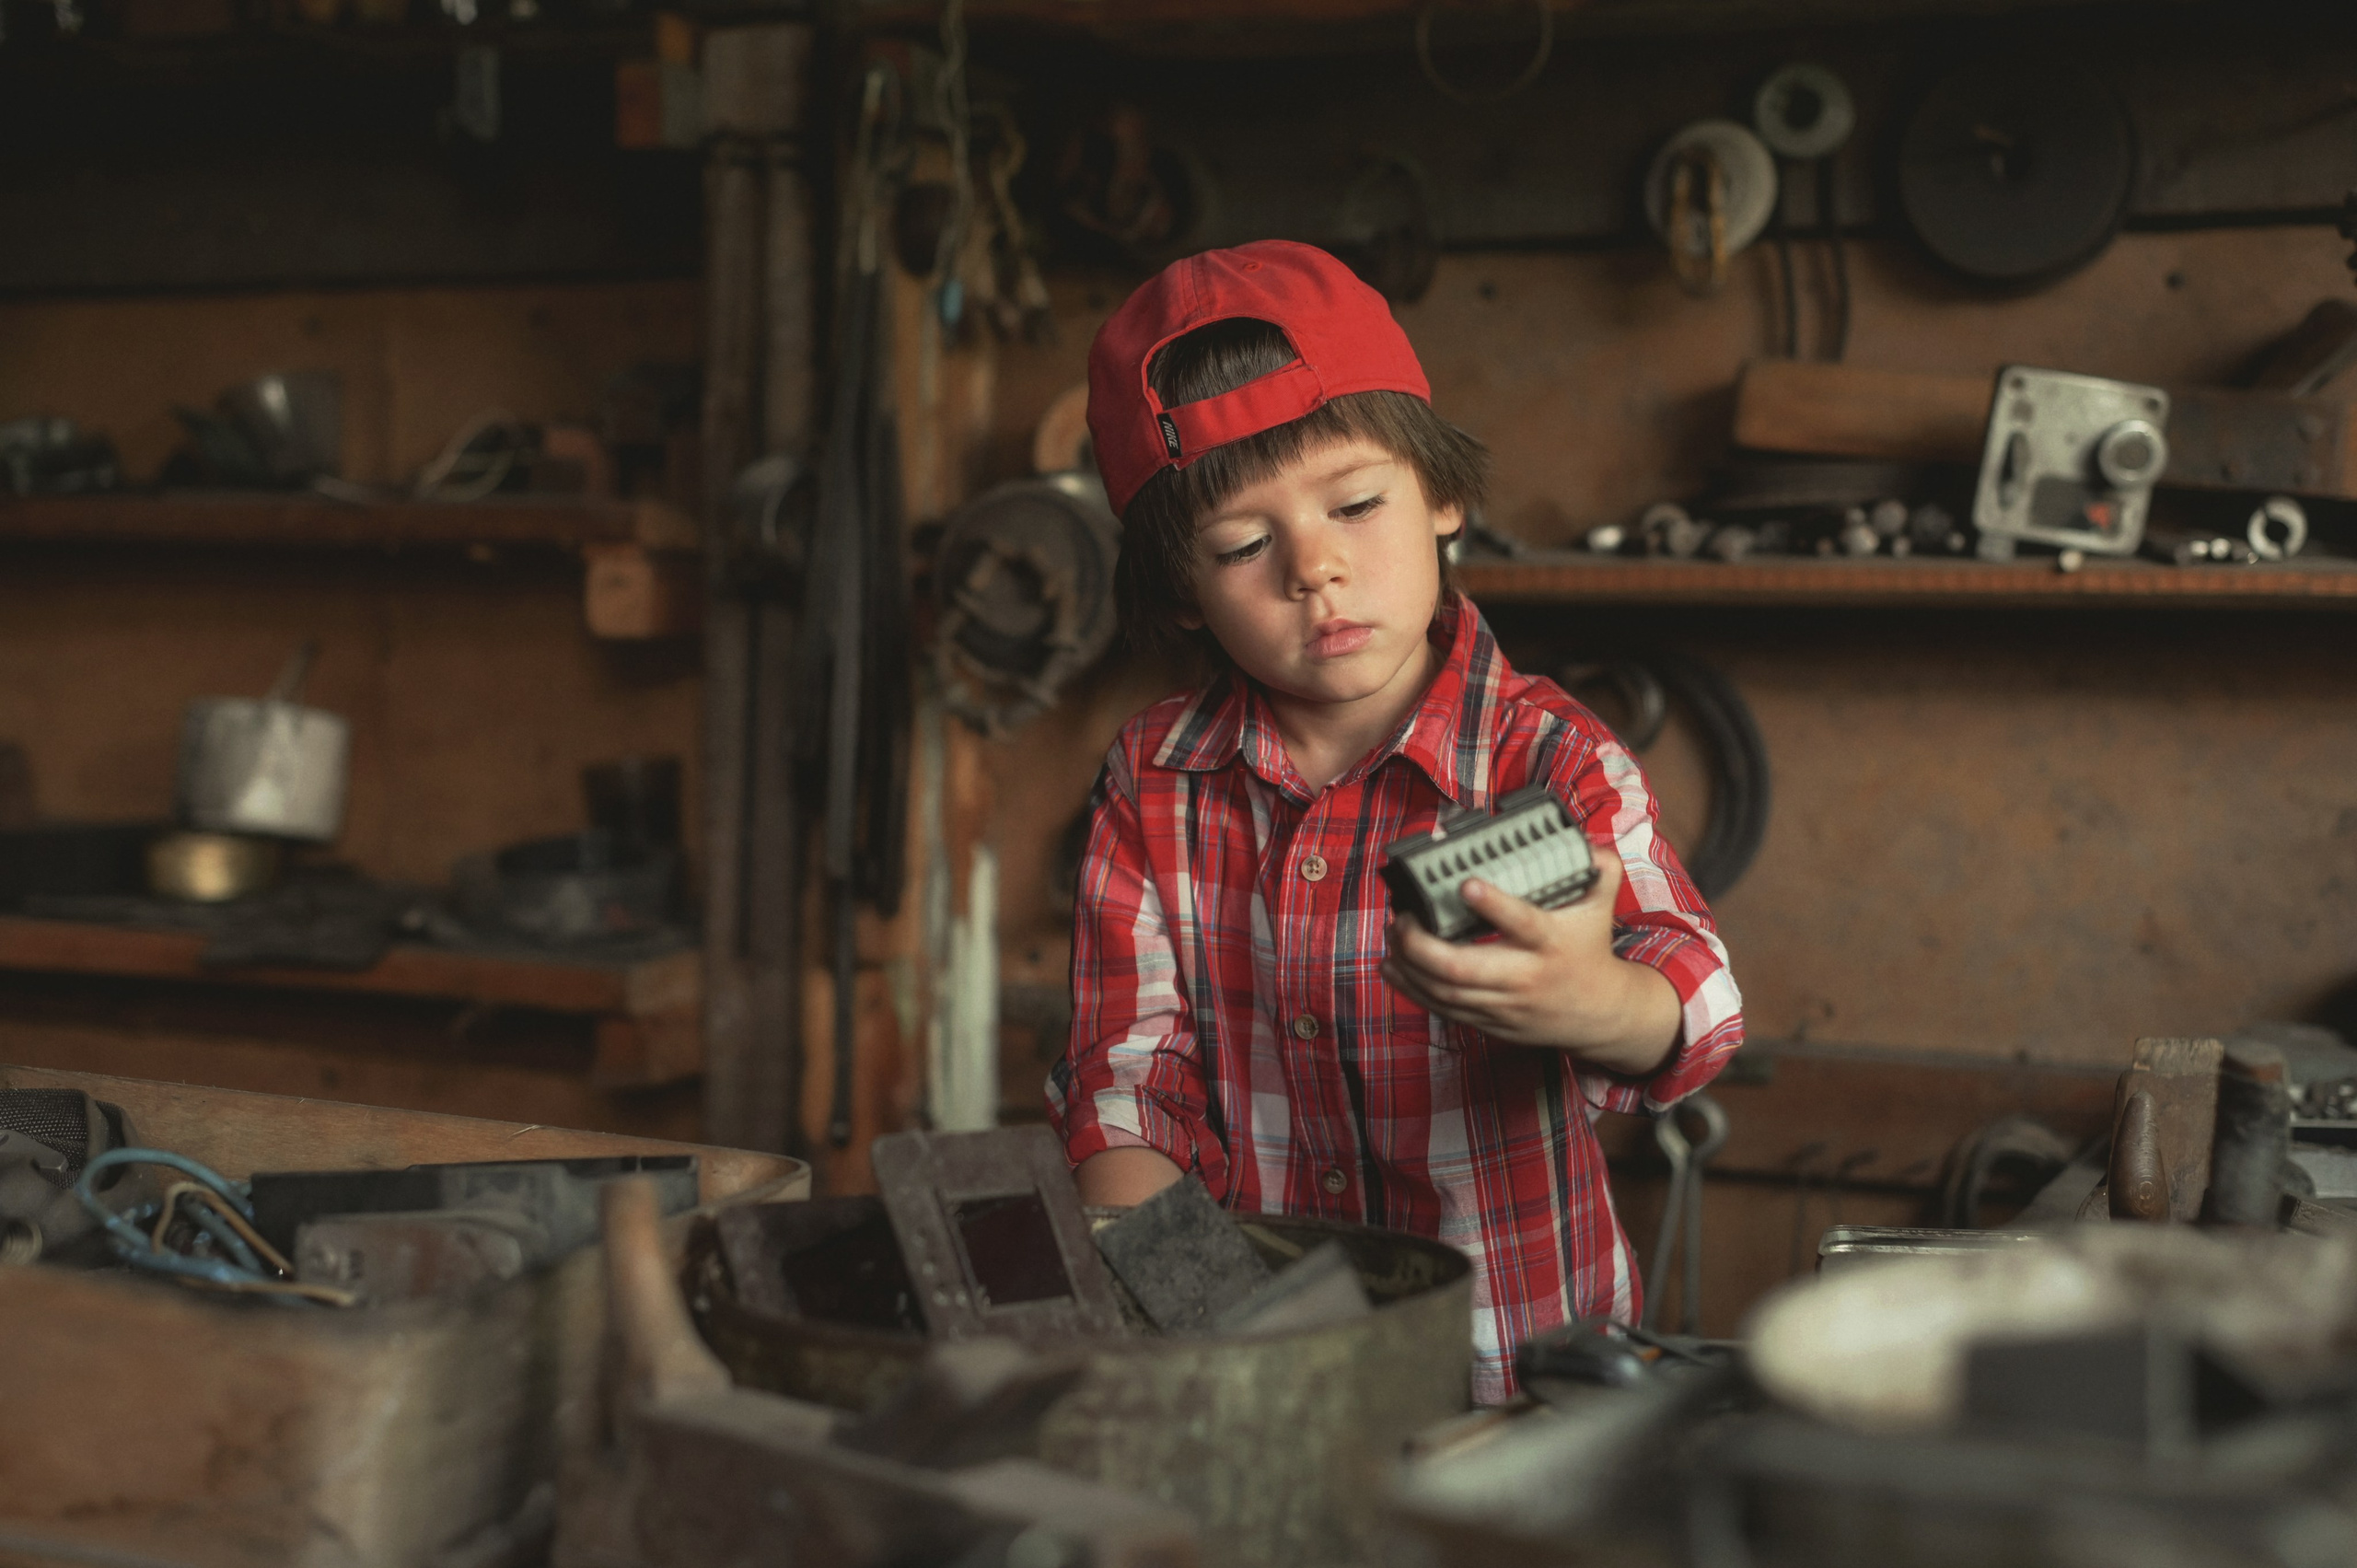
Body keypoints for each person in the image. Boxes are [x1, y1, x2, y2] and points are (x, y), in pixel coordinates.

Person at [1047, 239, 1743, 1401]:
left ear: (1443, 497)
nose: (1315, 568)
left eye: (1357, 502)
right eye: (1240, 545)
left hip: (1517, 1369)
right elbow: (1130, 1072)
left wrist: (1594, 1001)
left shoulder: (1548, 755)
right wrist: (1177, 1302)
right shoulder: (1154, 777)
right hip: (1252, 1367)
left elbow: (1696, 987)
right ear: (1181, 588)